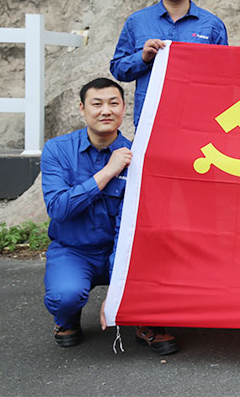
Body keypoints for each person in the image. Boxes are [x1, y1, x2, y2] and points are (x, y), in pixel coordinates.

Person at [41, 78, 179, 355]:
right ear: (82, 108)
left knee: (167, 278)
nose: (106, 110)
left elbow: (131, 227)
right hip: (74, 250)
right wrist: (108, 172)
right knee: (65, 296)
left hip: (127, 250)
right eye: (97, 104)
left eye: (113, 103)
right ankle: (67, 319)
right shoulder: (57, 150)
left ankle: (145, 322)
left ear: (124, 108)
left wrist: (118, 291)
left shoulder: (140, 153)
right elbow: (58, 208)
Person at [110, 0, 228, 127]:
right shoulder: (137, 22)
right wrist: (142, 58)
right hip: (150, 120)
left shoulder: (212, 25)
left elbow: (223, 78)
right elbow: (118, 69)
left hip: (197, 119)